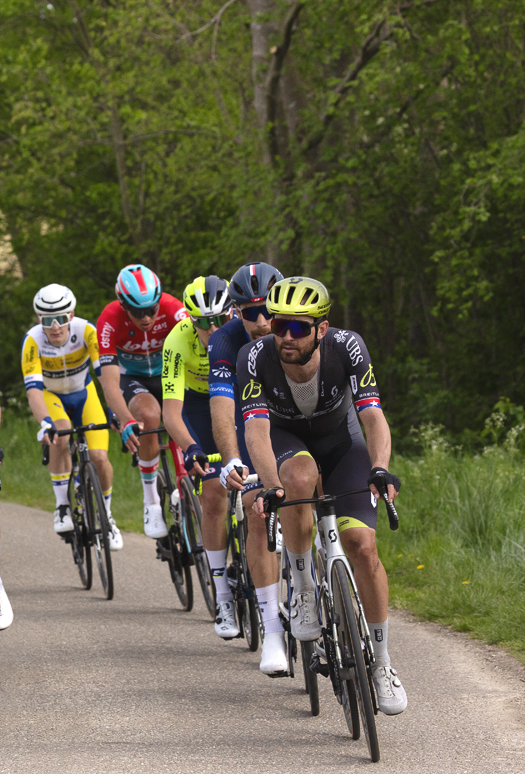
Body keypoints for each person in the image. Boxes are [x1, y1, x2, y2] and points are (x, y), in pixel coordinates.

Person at [240, 277, 407, 715]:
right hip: (287, 439)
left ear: (322, 328)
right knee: (298, 476)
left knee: (362, 546)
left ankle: (383, 663)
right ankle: (305, 586)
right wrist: (268, 482)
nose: (287, 336)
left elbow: (372, 415)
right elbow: (255, 429)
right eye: (279, 326)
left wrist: (380, 468)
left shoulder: (348, 347)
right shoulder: (254, 357)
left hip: (342, 439)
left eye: (298, 327)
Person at [207, 261, 288, 674]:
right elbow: (223, 408)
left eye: (267, 311)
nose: (260, 321)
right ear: (236, 312)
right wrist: (231, 457)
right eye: (248, 312)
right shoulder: (224, 342)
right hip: (250, 418)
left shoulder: (298, 329)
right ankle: (272, 629)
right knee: (259, 511)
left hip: (295, 421)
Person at [22, 283, 133, 549]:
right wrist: (44, 422)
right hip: (53, 397)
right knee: (59, 433)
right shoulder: (33, 340)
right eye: (48, 320)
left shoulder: (86, 331)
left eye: (61, 318)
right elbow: (34, 391)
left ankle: (106, 515)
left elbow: (105, 376)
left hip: (85, 394)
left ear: (71, 315)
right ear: (40, 320)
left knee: (99, 457)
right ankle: (62, 506)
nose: (56, 326)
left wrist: (115, 411)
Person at [161, 276, 233, 633]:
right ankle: (222, 597)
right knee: (214, 492)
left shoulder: (241, 333)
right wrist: (191, 448)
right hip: (196, 406)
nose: (214, 328)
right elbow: (171, 412)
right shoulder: (176, 341)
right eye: (204, 322)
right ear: (190, 320)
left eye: (221, 318)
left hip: (233, 396)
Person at [96, 264, 188, 537]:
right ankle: (151, 502)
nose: (146, 318)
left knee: (184, 415)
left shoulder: (173, 308)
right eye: (138, 312)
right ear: (123, 305)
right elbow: (109, 380)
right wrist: (125, 419)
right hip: (132, 378)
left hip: (169, 373)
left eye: (152, 309)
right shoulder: (109, 319)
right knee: (148, 416)